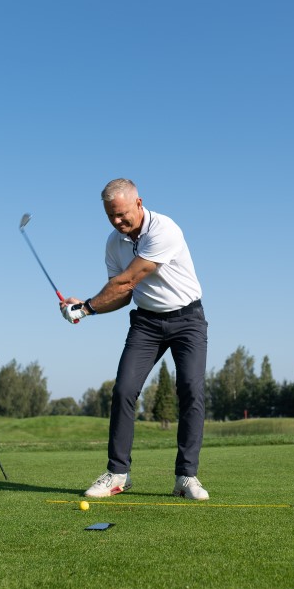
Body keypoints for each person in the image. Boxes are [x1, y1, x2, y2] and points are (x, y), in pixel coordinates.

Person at [60, 178, 210, 500]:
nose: (117, 222)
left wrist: (84, 308)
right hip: (146, 323)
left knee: (191, 390)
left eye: (122, 215)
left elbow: (130, 279)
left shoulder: (164, 230)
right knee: (124, 389)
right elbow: (121, 295)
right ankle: (117, 474)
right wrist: (86, 308)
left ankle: (186, 477)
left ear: (139, 204)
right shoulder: (113, 243)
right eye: (111, 216)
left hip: (187, 320)